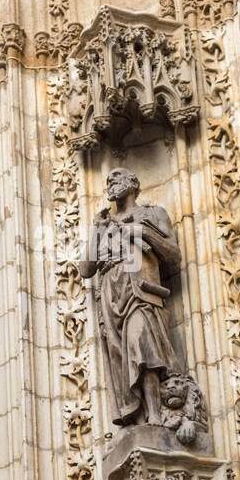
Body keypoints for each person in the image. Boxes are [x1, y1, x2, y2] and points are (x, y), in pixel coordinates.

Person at [78, 168, 184, 427]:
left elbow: (173, 255)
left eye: (116, 177)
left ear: (133, 183)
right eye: (108, 180)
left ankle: (156, 414)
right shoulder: (105, 226)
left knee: (141, 342)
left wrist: (143, 232)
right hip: (110, 293)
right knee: (120, 356)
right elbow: (85, 269)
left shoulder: (152, 215)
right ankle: (136, 419)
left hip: (141, 290)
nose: (111, 182)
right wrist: (96, 228)